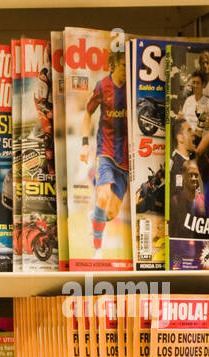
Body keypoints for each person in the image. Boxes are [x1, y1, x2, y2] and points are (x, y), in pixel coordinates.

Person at [81, 50, 128, 256]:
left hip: (126, 157)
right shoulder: (102, 86)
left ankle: (96, 218)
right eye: (123, 66)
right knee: (102, 195)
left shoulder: (134, 88)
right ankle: (98, 250)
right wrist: (84, 143)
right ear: (113, 66)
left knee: (111, 211)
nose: (126, 70)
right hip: (105, 150)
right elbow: (88, 112)